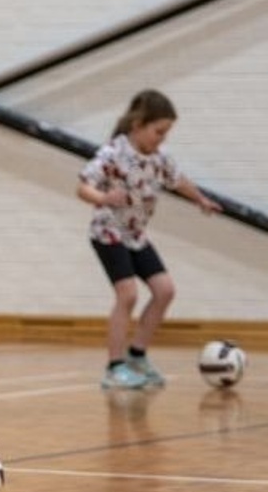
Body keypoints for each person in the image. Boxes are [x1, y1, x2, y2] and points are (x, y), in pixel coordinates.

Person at [76, 89, 219, 390]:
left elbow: (178, 181)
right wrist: (104, 196)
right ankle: (115, 368)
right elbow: (83, 187)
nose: (162, 139)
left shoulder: (159, 159)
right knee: (127, 295)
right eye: (158, 132)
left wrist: (200, 199)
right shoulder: (114, 153)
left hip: (135, 235)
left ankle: (137, 355)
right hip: (108, 233)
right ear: (138, 124)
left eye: (166, 134)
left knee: (165, 290)